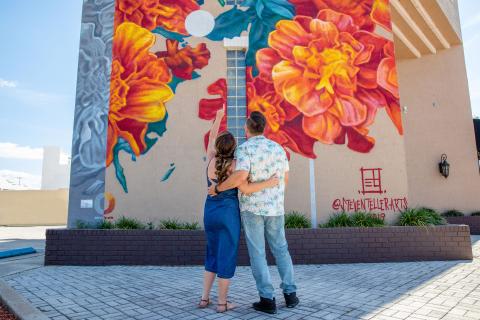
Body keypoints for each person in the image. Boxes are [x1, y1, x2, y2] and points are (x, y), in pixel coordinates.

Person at [209, 111, 299, 314]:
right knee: (281, 250)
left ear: (247, 128)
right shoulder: (278, 149)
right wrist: (272, 192)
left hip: (252, 209)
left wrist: (218, 188)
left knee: (258, 253)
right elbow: (284, 180)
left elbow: (240, 176)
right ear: (264, 127)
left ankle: (267, 299)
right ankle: (291, 295)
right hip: (276, 208)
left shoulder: (244, 149)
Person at [199, 107, 279, 313]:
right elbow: (245, 185)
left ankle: (204, 298)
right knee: (226, 255)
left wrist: (218, 117)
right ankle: (222, 304)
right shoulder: (234, 166)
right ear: (234, 147)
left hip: (210, 212)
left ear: (217, 146)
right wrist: (270, 182)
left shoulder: (210, 160)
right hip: (228, 215)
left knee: (212, 253)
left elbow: (212, 138)